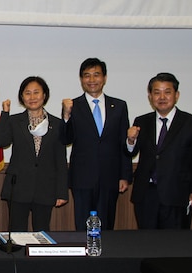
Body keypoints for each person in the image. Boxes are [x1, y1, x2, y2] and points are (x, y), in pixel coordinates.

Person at [126, 72, 192, 229]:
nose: (162, 97)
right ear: (150, 96)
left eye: (167, 92)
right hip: (146, 195)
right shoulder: (142, 121)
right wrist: (130, 140)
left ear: (176, 95)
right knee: (146, 243)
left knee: (175, 245)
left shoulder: (191, 123)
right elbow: (131, 152)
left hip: (177, 194)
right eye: (157, 92)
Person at [61, 58, 132, 230]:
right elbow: (65, 139)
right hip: (82, 177)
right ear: (81, 79)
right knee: (82, 225)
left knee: (106, 224)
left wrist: (125, 175)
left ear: (105, 78)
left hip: (110, 176)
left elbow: (124, 142)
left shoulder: (120, 106)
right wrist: (65, 116)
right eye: (87, 76)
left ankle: (104, 256)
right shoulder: (73, 106)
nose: (92, 80)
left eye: (96, 75)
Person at [0, 76, 68, 232]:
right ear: (22, 97)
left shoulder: (57, 124)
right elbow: (1, 141)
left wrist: (62, 192)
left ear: (44, 95)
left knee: (41, 232)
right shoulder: (15, 121)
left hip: (46, 188)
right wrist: (5, 113)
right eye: (27, 93)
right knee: (16, 232)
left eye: (36, 92)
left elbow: (61, 161)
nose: (32, 97)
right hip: (18, 187)